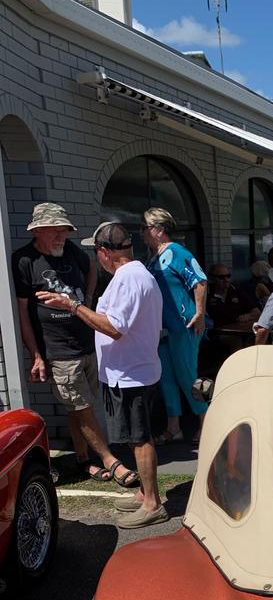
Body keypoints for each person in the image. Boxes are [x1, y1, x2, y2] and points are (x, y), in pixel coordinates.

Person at [36, 222, 167, 528]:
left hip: (132, 374)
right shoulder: (135, 274)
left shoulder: (128, 278)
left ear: (105, 252)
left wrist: (73, 305)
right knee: (139, 438)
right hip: (135, 371)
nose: (97, 258)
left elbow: (113, 328)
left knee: (140, 439)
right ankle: (144, 495)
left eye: (97, 251)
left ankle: (152, 504)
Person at [12, 202, 137, 485]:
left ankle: (83, 460)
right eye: (55, 232)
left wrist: (86, 302)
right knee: (81, 407)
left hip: (87, 342)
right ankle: (110, 460)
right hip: (58, 350)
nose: (61, 237)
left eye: (64, 231)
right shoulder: (24, 260)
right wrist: (36, 355)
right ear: (38, 231)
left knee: (79, 408)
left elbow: (91, 268)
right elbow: (22, 313)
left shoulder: (70, 251)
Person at [142, 208, 208, 445]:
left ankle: (206, 420)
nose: (142, 233)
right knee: (166, 376)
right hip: (162, 328)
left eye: (145, 228)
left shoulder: (177, 252)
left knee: (187, 374)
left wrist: (199, 312)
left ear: (159, 230)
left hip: (184, 324)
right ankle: (174, 426)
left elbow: (199, 280)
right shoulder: (153, 257)